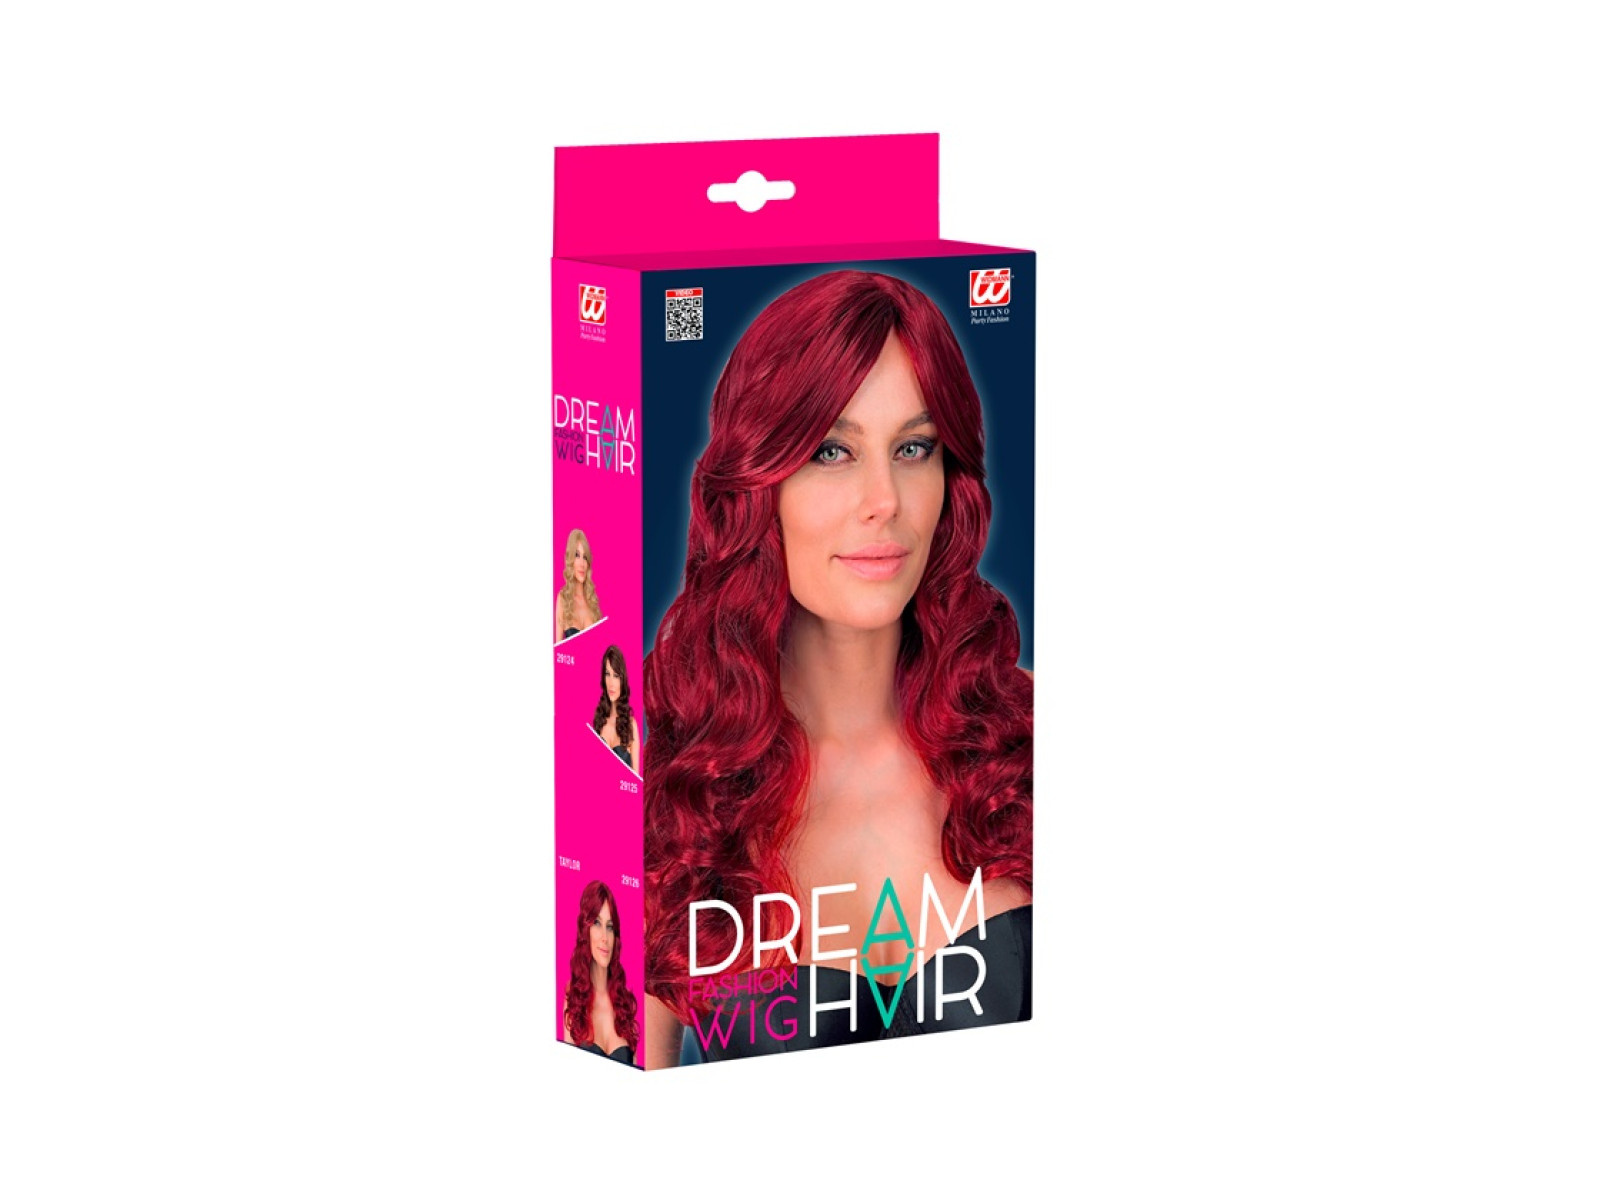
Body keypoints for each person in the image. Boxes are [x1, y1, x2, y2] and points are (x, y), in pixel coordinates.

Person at [642, 270, 1033, 1066]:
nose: (884, 499)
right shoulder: (670, 796)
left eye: (914, 448)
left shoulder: (1028, 746)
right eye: (832, 451)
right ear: (758, 484)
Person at [562, 880, 639, 1066]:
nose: (605, 937)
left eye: (610, 927)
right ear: (585, 929)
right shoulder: (574, 999)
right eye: (597, 923)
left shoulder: (625, 1002)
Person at [591, 645, 642, 772]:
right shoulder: (598, 721)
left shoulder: (630, 725)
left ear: (622, 679)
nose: (611, 683)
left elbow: (635, 778)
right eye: (607, 674)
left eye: (616, 675)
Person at [555, 529, 602, 643]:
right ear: (570, 559)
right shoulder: (563, 598)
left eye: (585, 557)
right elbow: (557, 649)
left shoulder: (592, 602)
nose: (582, 564)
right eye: (577, 555)